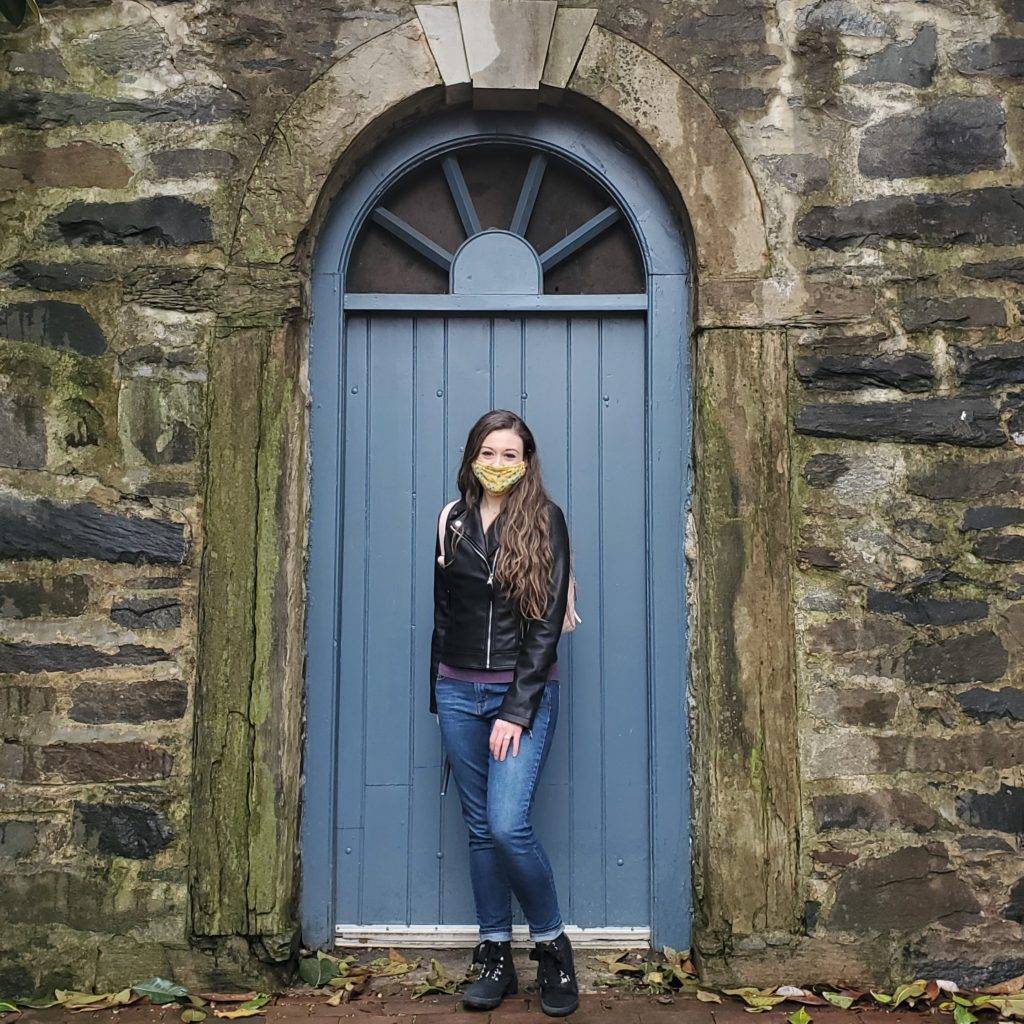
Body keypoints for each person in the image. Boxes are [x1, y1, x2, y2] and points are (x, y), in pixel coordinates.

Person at [430, 408, 579, 1017]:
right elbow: (443, 616)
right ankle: (495, 954)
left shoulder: (546, 521)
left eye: (510, 455)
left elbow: (545, 627)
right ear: (472, 457)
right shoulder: (451, 521)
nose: (498, 465)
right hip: (457, 693)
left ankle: (552, 947)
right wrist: (437, 698)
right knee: (477, 829)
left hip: (522, 695)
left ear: (526, 461)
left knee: (506, 824)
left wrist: (517, 710)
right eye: (488, 453)